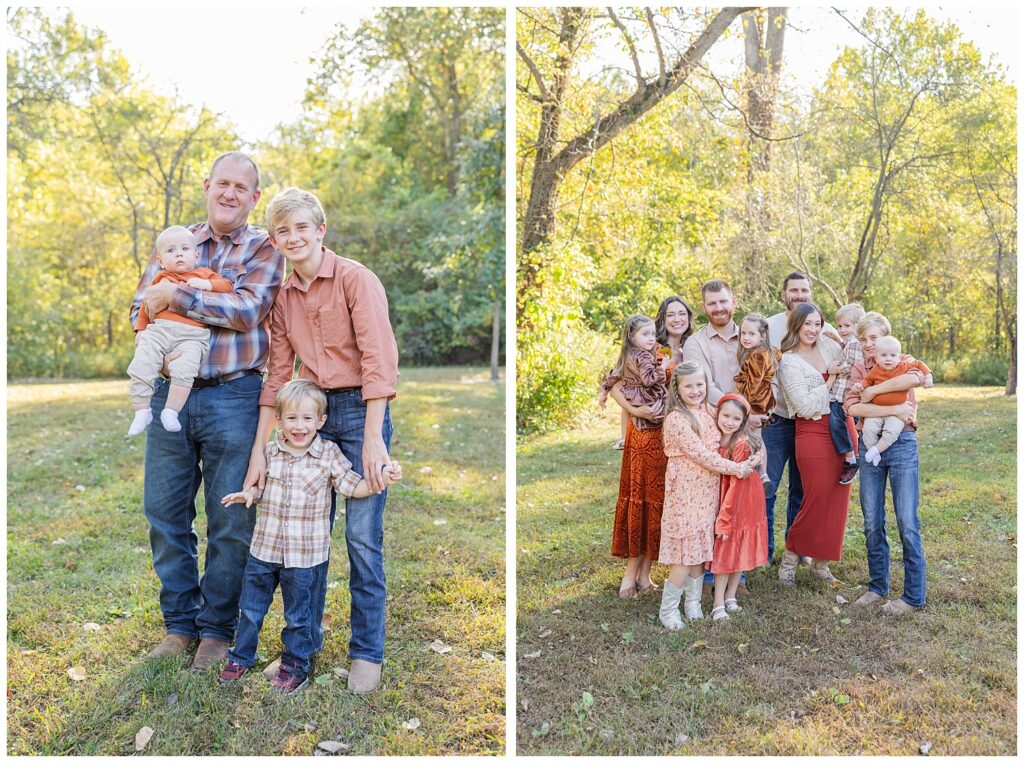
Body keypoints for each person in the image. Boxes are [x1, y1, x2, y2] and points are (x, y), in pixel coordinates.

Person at [130, 152, 284, 670]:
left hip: (233, 395)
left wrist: (175, 297)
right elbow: (139, 307)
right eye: (223, 183)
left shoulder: (264, 247)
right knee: (164, 512)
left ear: (254, 197)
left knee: (230, 518)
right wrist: (161, 310)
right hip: (169, 395)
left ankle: (217, 629)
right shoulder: (177, 240)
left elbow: (247, 310)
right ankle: (179, 624)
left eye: (241, 187)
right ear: (207, 186)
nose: (230, 193)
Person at [244, 187, 399, 694]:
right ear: (274, 240)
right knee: (303, 537)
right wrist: (259, 453)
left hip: (359, 413)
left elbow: (378, 361)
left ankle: (366, 651)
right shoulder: (283, 298)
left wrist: (373, 438)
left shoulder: (356, 279)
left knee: (361, 538)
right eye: (282, 231)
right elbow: (277, 376)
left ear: (320, 230)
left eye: (301, 228)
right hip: (308, 416)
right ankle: (302, 647)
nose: (293, 238)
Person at [218, 380, 402, 694]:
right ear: (279, 420)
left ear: (321, 421)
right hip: (264, 551)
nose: (299, 426)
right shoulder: (271, 451)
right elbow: (263, 488)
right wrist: (249, 494)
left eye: (307, 418)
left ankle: (295, 665)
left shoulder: (329, 454)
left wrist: (380, 479)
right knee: (250, 609)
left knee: (298, 616)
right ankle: (241, 656)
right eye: (291, 418)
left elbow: (352, 486)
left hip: (303, 558)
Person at [657, 362, 758, 630]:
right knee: (685, 553)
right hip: (686, 491)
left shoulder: (708, 411)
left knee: (700, 550)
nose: (695, 390)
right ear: (677, 389)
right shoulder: (677, 419)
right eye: (688, 386)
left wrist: (754, 455)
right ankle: (668, 610)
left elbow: (734, 430)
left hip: (708, 490)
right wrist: (737, 468)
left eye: (700, 384)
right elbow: (702, 455)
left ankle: (693, 603)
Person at [845, 312, 930, 615]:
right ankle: (877, 586)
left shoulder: (900, 358)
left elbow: (915, 378)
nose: (869, 344)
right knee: (872, 520)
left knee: (907, 521)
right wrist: (894, 408)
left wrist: (875, 392)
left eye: (874, 337)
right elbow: (852, 407)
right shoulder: (860, 367)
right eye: (863, 339)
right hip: (870, 448)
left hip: (902, 443)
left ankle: (913, 596)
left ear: (886, 336)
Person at [776, 302, 857, 586]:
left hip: (843, 429)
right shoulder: (789, 362)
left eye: (817, 324)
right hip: (812, 430)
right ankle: (789, 560)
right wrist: (831, 377)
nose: (812, 329)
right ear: (796, 325)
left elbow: (855, 368)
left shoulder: (831, 347)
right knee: (814, 499)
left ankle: (821, 565)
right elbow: (806, 406)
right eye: (807, 324)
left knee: (837, 502)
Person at [127, 226, 233, 436]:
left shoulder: (203, 274)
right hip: (160, 331)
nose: (178, 254)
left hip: (192, 336)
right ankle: (141, 410)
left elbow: (227, 286)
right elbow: (146, 305)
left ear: (196, 256)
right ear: (160, 260)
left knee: (185, 369)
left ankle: (171, 411)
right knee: (142, 362)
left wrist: (207, 284)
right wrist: (141, 330)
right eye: (171, 250)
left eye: (184, 249)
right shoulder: (160, 279)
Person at [763, 272, 838, 561]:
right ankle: (763, 551)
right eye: (793, 290)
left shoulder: (823, 329)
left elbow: (844, 364)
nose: (799, 295)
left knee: (803, 488)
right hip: (778, 418)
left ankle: (797, 548)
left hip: (814, 423)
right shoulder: (770, 326)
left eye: (804, 290)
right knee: (768, 487)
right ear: (783, 294)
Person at [710, 394, 769, 621]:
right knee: (731, 548)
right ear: (717, 414)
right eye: (725, 416)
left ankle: (725, 599)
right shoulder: (714, 438)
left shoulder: (741, 443)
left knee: (733, 548)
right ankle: (723, 599)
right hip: (730, 497)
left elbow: (735, 485)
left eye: (736, 419)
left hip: (741, 500)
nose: (729, 422)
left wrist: (724, 519)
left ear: (743, 421)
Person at [611, 296, 694, 449]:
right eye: (670, 315)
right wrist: (636, 411)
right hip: (649, 427)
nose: (677, 319)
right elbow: (616, 387)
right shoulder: (649, 349)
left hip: (678, 428)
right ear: (662, 319)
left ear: (688, 317)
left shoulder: (689, 352)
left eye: (682, 313)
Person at [855, 335, 931, 466]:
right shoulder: (875, 370)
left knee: (891, 431)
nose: (888, 358)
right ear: (877, 357)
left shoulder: (903, 366)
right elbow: (867, 381)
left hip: (898, 412)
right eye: (883, 355)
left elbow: (919, 364)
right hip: (876, 411)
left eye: (893, 355)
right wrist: (860, 386)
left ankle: (876, 449)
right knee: (868, 430)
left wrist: (928, 375)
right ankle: (874, 452)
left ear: (899, 356)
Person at [599, 315, 668, 433]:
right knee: (668, 408)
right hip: (647, 397)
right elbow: (649, 380)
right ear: (631, 337)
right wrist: (663, 367)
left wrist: (604, 393)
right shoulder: (644, 356)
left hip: (633, 398)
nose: (651, 338)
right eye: (645, 334)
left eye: (653, 334)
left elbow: (614, 375)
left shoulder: (627, 355)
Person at [733, 313, 779, 486]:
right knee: (756, 437)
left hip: (755, 402)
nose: (746, 337)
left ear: (762, 336)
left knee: (753, 437)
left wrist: (744, 408)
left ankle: (760, 472)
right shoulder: (767, 352)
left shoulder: (757, 356)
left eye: (751, 334)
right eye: (743, 333)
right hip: (764, 400)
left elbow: (753, 385)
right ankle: (762, 472)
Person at [827, 303, 866, 484]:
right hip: (843, 392)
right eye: (840, 326)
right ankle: (860, 453)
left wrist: (836, 369)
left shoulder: (855, 343)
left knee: (836, 422)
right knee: (855, 424)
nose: (842, 330)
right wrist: (838, 341)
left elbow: (855, 367)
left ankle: (851, 459)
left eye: (847, 326)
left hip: (845, 393)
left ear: (859, 325)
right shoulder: (851, 342)